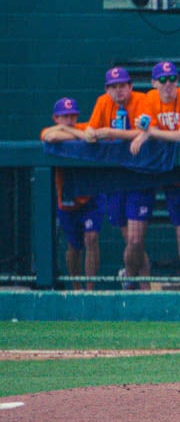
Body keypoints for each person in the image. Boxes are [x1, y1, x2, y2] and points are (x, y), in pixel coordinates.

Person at [130, 61, 180, 291]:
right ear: (154, 83)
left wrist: (148, 134)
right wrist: (146, 133)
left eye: (172, 79)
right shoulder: (149, 100)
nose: (168, 84)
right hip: (174, 177)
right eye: (162, 80)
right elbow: (146, 127)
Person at [85, 67, 155, 289]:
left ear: (130, 86)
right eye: (113, 87)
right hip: (114, 180)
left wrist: (111, 133)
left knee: (135, 240)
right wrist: (90, 133)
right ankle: (143, 294)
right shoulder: (102, 103)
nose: (118, 91)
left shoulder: (142, 100)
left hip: (139, 176)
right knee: (133, 243)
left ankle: (129, 277)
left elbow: (146, 130)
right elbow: (91, 129)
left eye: (122, 86)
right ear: (107, 90)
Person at [40, 97, 103, 289]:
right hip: (67, 199)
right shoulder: (50, 130)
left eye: (72, 116)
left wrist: (66, 130)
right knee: (74, 246)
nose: (69, 120)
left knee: (91, 238)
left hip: (90, 196)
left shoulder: (83, 127)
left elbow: (88, 136)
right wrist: (68, 131)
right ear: (55, 117)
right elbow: (50, 137)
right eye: (64, 117)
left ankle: (90, 291)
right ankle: (76, 289)